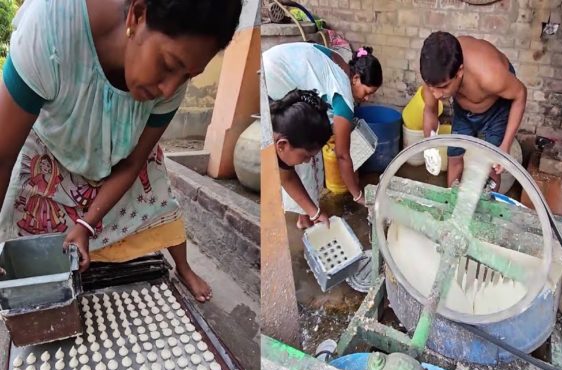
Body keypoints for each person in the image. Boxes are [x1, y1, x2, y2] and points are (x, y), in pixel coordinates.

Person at [0, 0, 242, 302]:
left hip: (123, 154)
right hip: (54, 147)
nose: (170, 89)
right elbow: (3, 157)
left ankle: (182, 266)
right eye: (169, 65)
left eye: (188, 76)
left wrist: (88, 224)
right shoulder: (50, 29)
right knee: (38, 247)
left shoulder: (170, 82)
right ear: (138, 15)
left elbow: (135, 162)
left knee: (159, 198)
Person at [263, 42, 383, 229]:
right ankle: (304, 216)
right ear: (356, 78)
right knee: (304, 157)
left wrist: (315, 212)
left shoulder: (341, 64)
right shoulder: (344, 102)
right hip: (272, 82)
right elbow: (342, 155)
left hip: (273, 64)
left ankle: (307, 213)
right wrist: (358, 195)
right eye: (367, 92)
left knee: (306, 154)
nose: (367, 99)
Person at [419, 31, 527, 188]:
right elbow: (430, 110)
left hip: (496, 110)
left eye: (443, 87)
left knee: (492, 163)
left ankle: (489, 205)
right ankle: (452, 203)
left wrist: (505, 146)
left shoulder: (490, 75)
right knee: (454, 156)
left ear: (460, 72)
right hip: (463, 111)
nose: (435, 94)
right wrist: (430, 144)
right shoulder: (434, 76)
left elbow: (520, 94)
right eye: (431, 88)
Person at [271, 89, 334, 227]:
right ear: (282, 145)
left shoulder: (282, 142)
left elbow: (287, 177)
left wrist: (315, 213)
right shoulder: (265, 152)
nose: (307, 161)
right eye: (306, 156)